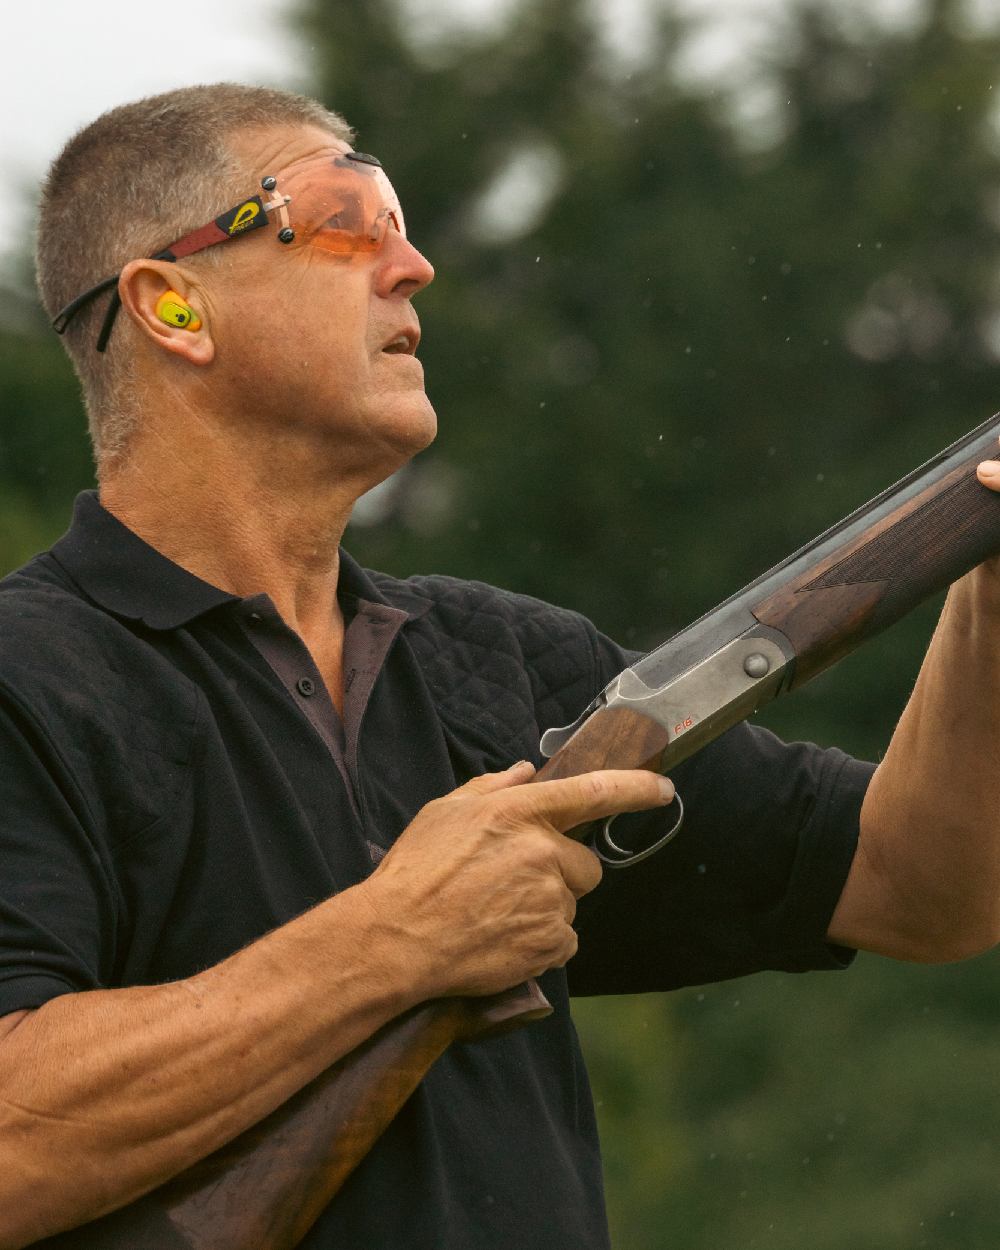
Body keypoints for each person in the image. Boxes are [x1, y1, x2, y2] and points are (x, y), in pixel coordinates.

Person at [1, 82, 998, 1250]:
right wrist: (392, 940)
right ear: (172, 304)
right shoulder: (32, 677)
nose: (412, 263)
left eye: (402, 217)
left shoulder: (502, 662)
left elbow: (923, 888)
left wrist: (983, 579)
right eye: (343, 213)